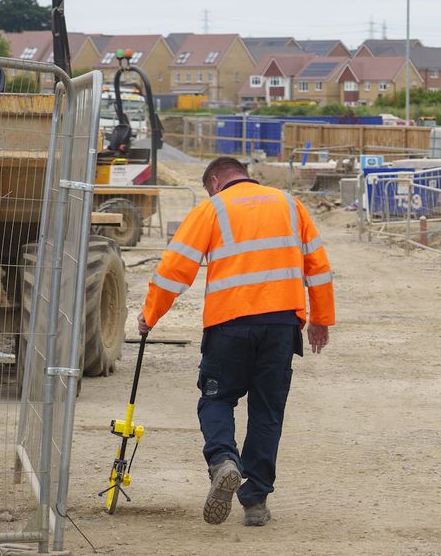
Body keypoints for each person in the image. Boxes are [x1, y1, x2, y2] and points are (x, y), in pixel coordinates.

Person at [139, 156, 335, 527]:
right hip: (281, 325)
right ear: (244, 174)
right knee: (266, 411)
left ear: (214, 181)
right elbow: (318, 267)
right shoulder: (291, 205)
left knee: (217, 399)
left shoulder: (211, 209)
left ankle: (223, 461)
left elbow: (174, 269)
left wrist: (150, 316)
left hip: (229, 324)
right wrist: (321, 319)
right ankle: (256, 500)